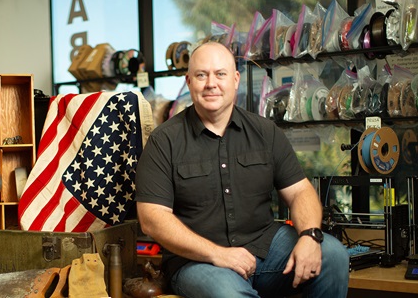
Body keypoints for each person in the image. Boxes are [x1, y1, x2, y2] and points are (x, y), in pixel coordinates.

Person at [135, 41, 349, 297]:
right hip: (198, 262)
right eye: (201, 75)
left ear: (236, 79)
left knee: (333, 254)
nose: (211, 83)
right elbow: (152, 219)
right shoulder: (164, 141)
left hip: (267, 249)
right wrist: (217, 253)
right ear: (189, 81)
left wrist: (310, 236)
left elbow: (300, 191)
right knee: (230, 294)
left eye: (220, 74)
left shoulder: (265, 132)